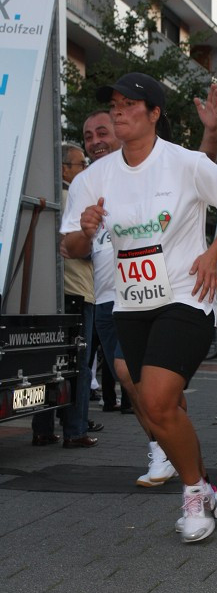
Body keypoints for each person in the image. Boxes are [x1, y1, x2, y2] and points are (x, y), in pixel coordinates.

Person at [66, 72, 217, 542]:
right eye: (114, 105)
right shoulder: (93, 178)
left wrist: (211, 255)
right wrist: (85, 231)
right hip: (130, 304)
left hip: (187, 295)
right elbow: (69, 246)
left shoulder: (185, 163)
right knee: (159, 409)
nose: (119, 112)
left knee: (154, 399)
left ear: (154, 114)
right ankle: (206, 484)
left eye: (130, 104)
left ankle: (193, 492)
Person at [32, 143, 102, 448]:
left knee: (45, 364)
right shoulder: (72, 200)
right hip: (77, 293)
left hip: (49, 292)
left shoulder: (45, 203)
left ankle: (43, 428)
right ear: (63, 169)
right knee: (79, 365)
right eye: (80, 165)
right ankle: (76, 431)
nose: (85, 170)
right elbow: (88, 249)